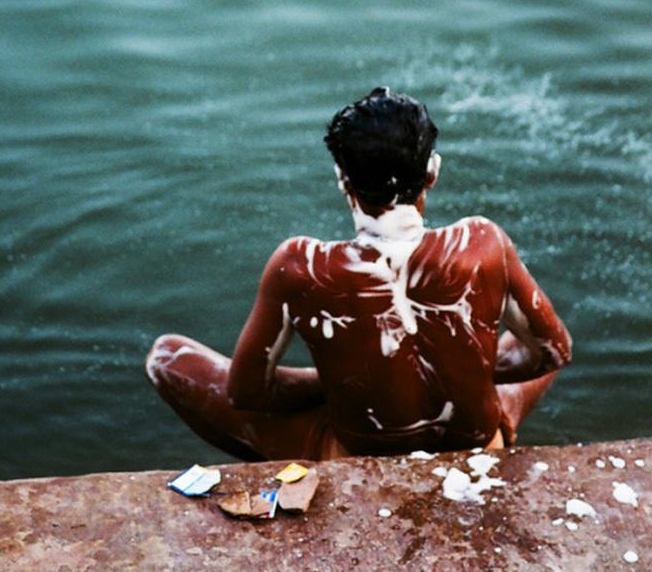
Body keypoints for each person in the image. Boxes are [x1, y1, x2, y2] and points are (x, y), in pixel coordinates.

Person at [145, 87, 572, 460]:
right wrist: (459, 369)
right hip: (478, 445)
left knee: (167, 359)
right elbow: (554, 351)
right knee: (537, 327)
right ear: (433, 173)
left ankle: (295, 458)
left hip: (358, 454)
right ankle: (491, 419)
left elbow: (247, 392)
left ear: (341, 179)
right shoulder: (483, 243)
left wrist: (342, 380)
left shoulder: (298, 266)